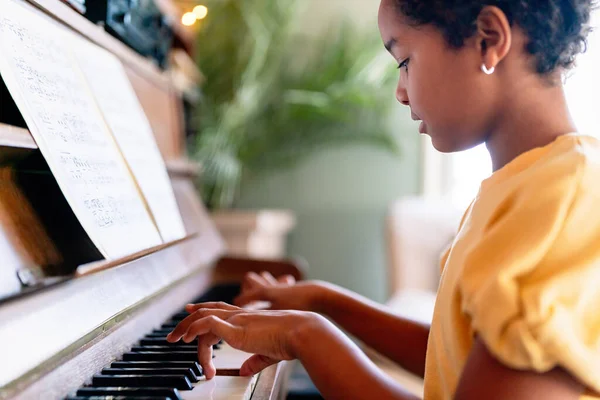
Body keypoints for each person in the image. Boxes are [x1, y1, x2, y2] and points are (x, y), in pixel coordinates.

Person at [167, 0, 600, 398]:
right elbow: (451, 355)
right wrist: (321, 300)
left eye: (405, 61)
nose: (401, 91)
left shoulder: (562, 200)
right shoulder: (531, 184)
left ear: (488, 38)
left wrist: (306, 334)